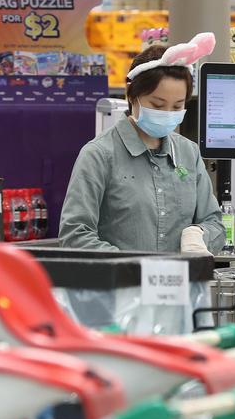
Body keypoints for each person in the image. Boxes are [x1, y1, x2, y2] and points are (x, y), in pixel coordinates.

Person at [60, 34, 225, 255]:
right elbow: (75, 234)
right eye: (157, 104)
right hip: (120, 286)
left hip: (178, 285)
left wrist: (199, 235)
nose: (167, 113)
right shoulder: (99, 155)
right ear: (132, 95)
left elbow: (214, 223)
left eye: (177, 106)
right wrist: (129, 266)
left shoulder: (188, 153)